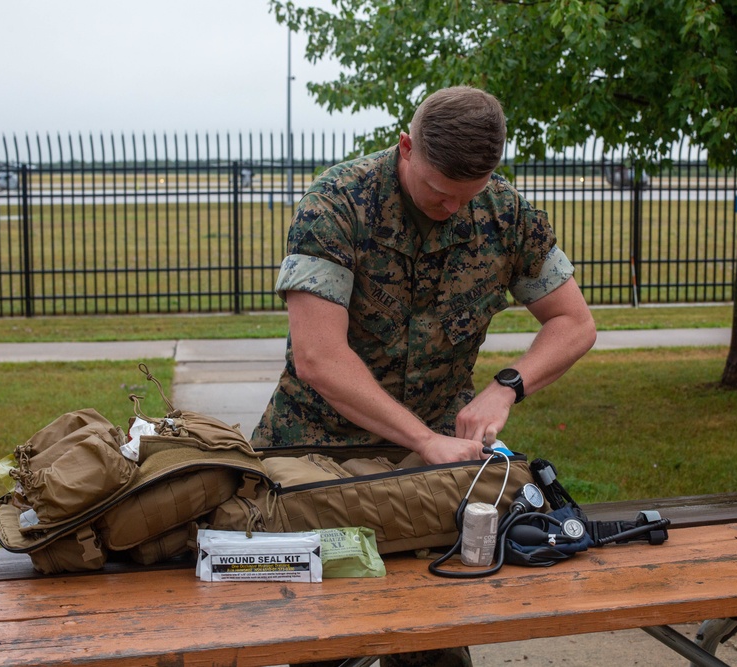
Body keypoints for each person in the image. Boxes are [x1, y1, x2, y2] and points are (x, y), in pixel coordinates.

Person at [252, 85, 596, 667]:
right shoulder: (337, 204)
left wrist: (505, 387)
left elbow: (574, 323)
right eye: (439, 193)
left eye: (469, 196)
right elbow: (318, 357)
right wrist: (424, 439)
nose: (453, 210)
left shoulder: (507, 214)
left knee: (433, 638)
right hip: (318, 457)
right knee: (325, 638)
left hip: (432, 472)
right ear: (406, 148)